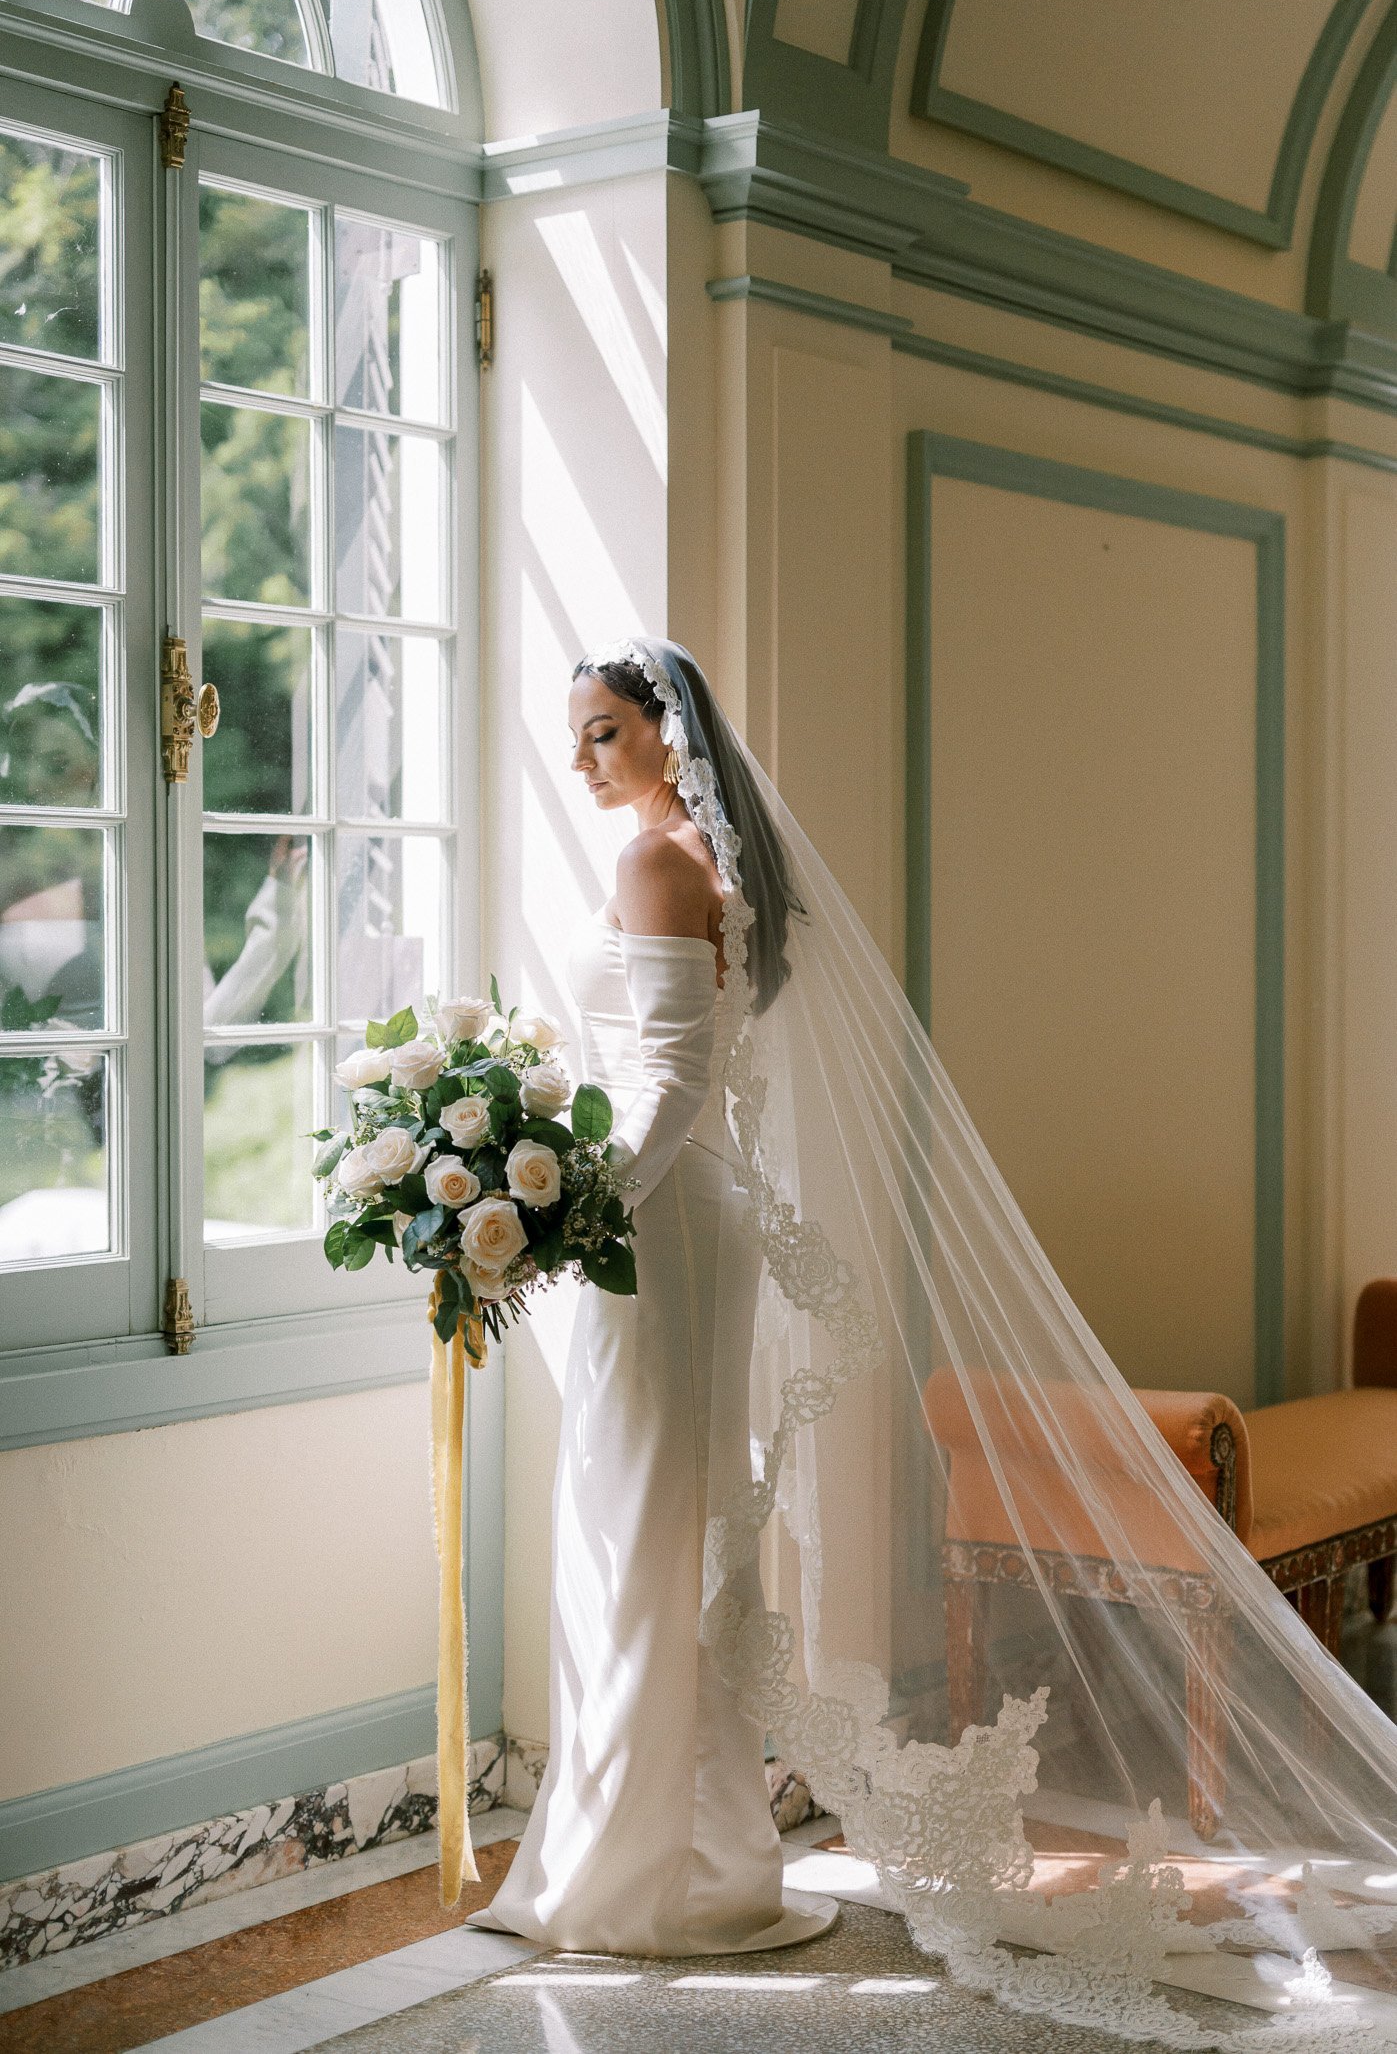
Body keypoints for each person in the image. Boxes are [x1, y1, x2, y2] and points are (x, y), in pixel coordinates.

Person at [477, 638, 1397, 2044]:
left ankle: (653, 1873)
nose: (581, 760)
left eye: (602, 732)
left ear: (667, 733)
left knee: (644, 1534)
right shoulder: (705, 863)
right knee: (663, 1535)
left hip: (654, 1234)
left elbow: (664, 1083)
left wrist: (563, 1222)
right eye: (574, 737)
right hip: (679, 1222)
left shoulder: (657, 862)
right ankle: (674, 1856)